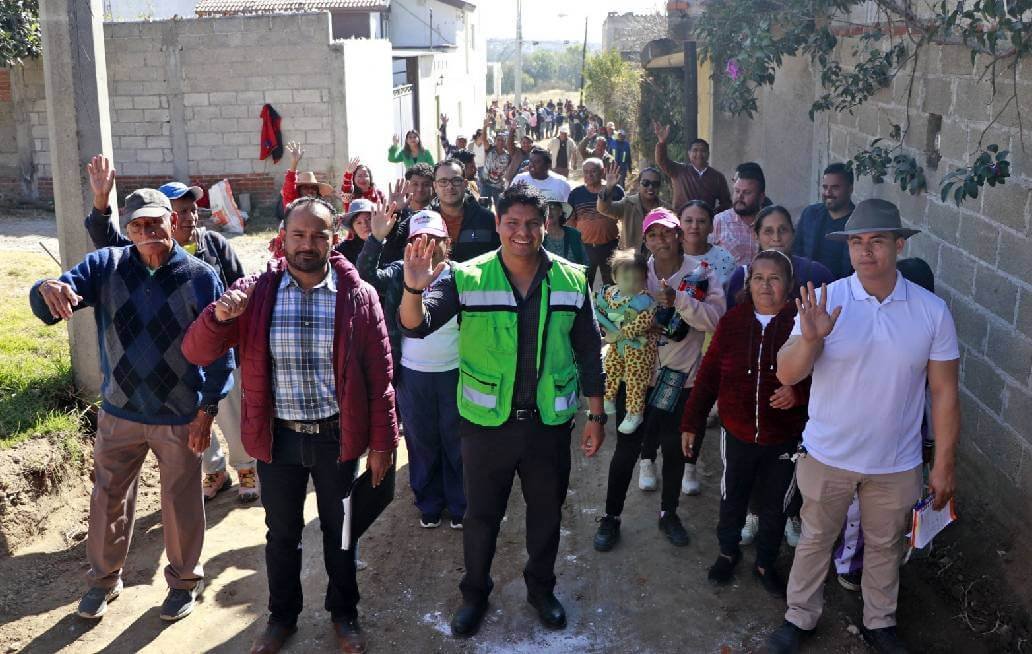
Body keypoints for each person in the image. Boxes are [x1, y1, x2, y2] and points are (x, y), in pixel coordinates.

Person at [182, 196, 398, 654]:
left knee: (340, 533)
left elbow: (380, 377)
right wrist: (219, 315)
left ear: (333, 238)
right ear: (283, 238)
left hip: (335, 439)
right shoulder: (255, 294)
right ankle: (282, 618)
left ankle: (345, 614)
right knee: (281, 534)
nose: (308, 243)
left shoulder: (357, 296)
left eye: (319, 234)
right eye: (299, 234)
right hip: (277, 439)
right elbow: (198, 352)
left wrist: (383, 443)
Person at [399, 183, 606, 638]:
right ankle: (474, 593)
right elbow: (416, 326)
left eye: (532, 223)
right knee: (481, 516)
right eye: (512, 222)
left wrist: (595, 415)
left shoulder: (572, 278)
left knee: (547, 514)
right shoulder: (466, 276)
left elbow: (589, 348)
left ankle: (540, 589)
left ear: (546, 225)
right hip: (485, 427)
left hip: (547, 426)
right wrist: (413, 288)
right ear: (497, 225)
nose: (523, 232)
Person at [764, 199, 960, 654]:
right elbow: (787, 374)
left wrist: (944, 463)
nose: (865, 251)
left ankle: (880, 623)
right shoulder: (827, 300)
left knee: (885, 546)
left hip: (896, 461)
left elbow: (944, 393)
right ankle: (799, 617)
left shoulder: (932, 312)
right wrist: (810, 340)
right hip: (828, 453)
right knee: (815, 540)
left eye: (876, 241)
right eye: (856, 242)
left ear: (899, 244)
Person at [31, 188, 234, 622]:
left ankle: (183, 584)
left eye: (155, 223)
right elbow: (56, 301)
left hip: (179, 415)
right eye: (138, 226)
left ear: (171, 222)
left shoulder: (199, 276)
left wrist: (208, 408)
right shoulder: (106, 266)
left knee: (181, 502)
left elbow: (220, 347)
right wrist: (45, 289)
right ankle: (103, 580)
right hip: (120, 412)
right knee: (108, 499)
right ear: (127, 230)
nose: (148, 232)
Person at [82, 155, 256, 504]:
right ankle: (215, 471)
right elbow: (106, 240)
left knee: (229, 408)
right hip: (173, 361)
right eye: (183, 210)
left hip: (218, 349)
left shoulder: (214, 246)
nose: (191, 216)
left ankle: (245, 467)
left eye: (193, 209)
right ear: (163, 217)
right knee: (192, 422)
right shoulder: (141, 250)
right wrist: (101, 201)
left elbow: (244, 285)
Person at [593, 208, 725, 552]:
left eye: (666, 232)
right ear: (646, 241)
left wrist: (679, 301)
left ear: (679, 234)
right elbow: (609, 311)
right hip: (637, 379)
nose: (660, 240)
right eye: (653, 235)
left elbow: (715, 320)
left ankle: (669, 513)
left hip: (680, 380)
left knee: (673, 449)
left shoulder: (700, 275)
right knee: (626, 449)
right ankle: (611, 517)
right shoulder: (637, 273)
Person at [680, 250, 808, 598]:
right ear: (748, 284)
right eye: (758, 278)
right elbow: (707, 377)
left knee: (775, 504)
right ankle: (727, 551)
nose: (766, 286)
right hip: (736, 431)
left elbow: (825, 377)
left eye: (775, 278)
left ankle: (766, 562)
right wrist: (691, 422)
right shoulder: (733, 322)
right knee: (732, 496)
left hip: (783, 438)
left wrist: (798, 394)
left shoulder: (802, 324)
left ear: (789, 285)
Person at [357, 207, 465, 529]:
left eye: (434, 239)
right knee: (421, 441)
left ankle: (460, 504)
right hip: (412, 375)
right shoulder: (397, 271)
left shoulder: (461, 275)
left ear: (447, 242)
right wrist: (376, 238)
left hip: (455, 373)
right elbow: (365, 277)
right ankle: (429, 503)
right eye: (418, 239)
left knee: (456, 440)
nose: (426, 246)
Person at [726, 206, 835, 309]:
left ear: (793, 233)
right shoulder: (742, 276)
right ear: (756, 236)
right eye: (768, 231)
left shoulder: (816, 273)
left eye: (783, 230)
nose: (776, 238)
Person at [793, 163, 856, 280]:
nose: (828, 193)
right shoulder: (810, 214)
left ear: (850, 189)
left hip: (841, 291)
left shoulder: (858, 223)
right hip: (807, 288)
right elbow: (796, 251)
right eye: (825, 187)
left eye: (835, 187)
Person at [567, 158, 624, 287]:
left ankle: (610, 307)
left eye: (593, 171)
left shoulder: (615, 190)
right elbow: (570, 221)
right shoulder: (576, 194)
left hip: (610, 245)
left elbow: (624, 216)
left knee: (612, 284)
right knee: (583, 283)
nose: (589, 175)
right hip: (585, 247)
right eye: (586, 172)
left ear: (602, 172)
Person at [428, 159, 499, 262]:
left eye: (456, 180)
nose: (450, 186)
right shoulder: (424, 220)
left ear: (465, 184)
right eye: (443, 181)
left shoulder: (487, 219)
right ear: (435, 186)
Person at [653, 122, 732, 213]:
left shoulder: (717, 177)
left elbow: (726, 203)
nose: (699, 154)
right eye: (695, 150)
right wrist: (662, 142)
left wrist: (712, 214)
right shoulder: (678, 170)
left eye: (703, 151)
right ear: (689, 153)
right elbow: (661, 160)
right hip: (681, 219)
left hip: (705, 223)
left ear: (708, 154)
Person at [597, 163, 664, 252]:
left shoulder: (665, 210)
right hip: (630, 259)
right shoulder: (628, 204)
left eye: (655, 184)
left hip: (656, 259)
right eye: (646, 183)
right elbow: (604, 209)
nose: (650, 187)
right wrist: (608, 188)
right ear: (639, 184)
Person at [379, 163, 436, 265]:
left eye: (426, 184)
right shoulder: (398, 216)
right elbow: (388, 247)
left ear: (434, 187)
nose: (420, 189)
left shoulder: (440, 215)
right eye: (415, 184)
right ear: (407, 186)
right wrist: (394, 211)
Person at [712, 163, 766, 266]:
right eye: (737, 191)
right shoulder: (719, 221)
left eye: (747, 192)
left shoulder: (769, 223)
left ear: (761, 197)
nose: (739, 197)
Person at [678, 200, 737, 287]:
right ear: (679, 225)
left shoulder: (725, 259)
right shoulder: (666, 256)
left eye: (701, 221)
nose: (694, 226)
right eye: (688, 220)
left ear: (711, 227)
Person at [281, 141, 335, 209]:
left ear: (318, 192)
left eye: (313, 188)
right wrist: (294, 163)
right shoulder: (292, 203)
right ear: (298, 191)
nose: (310, 190)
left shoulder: (321, 209)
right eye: (305, 188)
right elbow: (289, 186)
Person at [542, 193, 587, 265]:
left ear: (560, 212)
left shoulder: (573, 234)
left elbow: (585, 262)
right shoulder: (538, 235)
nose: (549, 211)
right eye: (546, 208)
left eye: (553, 207)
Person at [334, 198, 375, 265]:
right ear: (353, 228)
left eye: (369, 219)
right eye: (359, 223)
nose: (365, 225)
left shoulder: (389, 242)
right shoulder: (345, 249)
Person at [481, 131, 512, 208]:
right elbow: (484, 139)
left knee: (499, 207)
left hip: (499, 186)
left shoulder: (508, 155)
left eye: (503, 140)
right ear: (495, 141)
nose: (500, 142)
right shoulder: (489, 149)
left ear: (505, 142)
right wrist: (485, 127)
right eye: (498, 140)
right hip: (485, 184)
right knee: (483, 206)